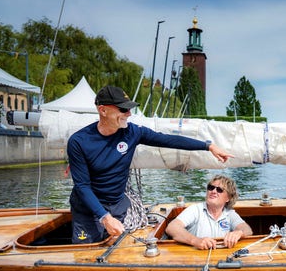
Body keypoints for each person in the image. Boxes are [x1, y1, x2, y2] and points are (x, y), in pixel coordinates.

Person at [67, 85, 234, 244]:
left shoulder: (132, 132)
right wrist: (105, 217)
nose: (129, 114)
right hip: (88, 209)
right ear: (102, 110)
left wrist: (208, 146)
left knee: (118, 250)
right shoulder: (79, 142)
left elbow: (168, 139)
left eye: (130, 109)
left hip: (117, 206)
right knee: (85, 253)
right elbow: (82, 186)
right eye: (123, 109)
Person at [165, 175, 253, 249]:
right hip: (196, 257)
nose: (213, 191)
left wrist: (239, 233)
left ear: (228, 198)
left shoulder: (230, 214)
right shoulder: (196, 209)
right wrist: (196, 241)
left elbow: (247, 229)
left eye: (219, 190)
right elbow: (172, 227)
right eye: (211, 188)